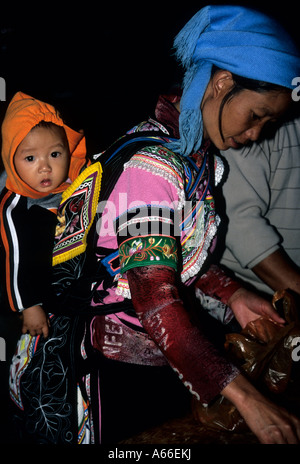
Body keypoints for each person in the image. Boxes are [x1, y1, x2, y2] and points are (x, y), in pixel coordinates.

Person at [8, 5, 300, 445]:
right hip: (108, 370)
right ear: (222, 84)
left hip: (153, 356)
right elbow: (155, 302)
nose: (258, 133)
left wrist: (234, 293)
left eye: (269, 122)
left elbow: (171, 257)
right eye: (256, 114)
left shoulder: (188, 155)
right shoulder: (154, 167)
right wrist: (248, 399)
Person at [0, 92, 88, 338]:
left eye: (55, 154)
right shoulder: (16, 204)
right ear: (11, 160)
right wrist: (28, 304)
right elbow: (16, 258)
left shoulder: (75, 182)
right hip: (23, 285)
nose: (45, 167)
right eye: (30, 158)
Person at [220, 115, 300, 297]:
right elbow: (240, 226)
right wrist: (229, 293)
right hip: (255, 295)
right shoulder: (155, 161)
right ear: (220, 86)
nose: (254, 134)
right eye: (256, 113)